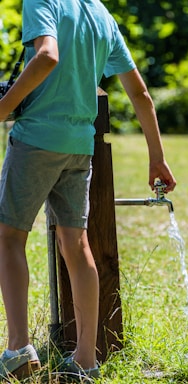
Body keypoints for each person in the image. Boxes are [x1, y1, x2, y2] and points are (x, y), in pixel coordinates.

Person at [0, 0, 176, 381]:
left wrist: (2, 108)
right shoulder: (100, 14)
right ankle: (85, 360)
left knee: (9, 237)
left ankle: (18, 349)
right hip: (81, 143)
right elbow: (140, 92)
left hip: (36, 139)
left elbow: (47, 56)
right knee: (76, 245)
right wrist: (157, 157)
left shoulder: (41, 2)